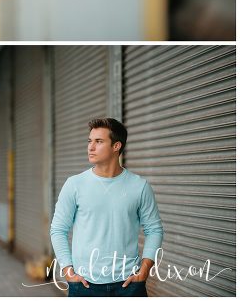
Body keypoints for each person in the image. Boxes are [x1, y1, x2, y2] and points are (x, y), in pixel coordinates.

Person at [49, 118, 164, 297]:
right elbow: (58, 229)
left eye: (99, 141)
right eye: (89, 141)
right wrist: (68, 271)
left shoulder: (139, 186)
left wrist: (144, 270)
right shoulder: (74, 185)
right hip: (85, 285)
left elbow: (154, 229)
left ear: (116, 146)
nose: (90, 147)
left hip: (129, 285)